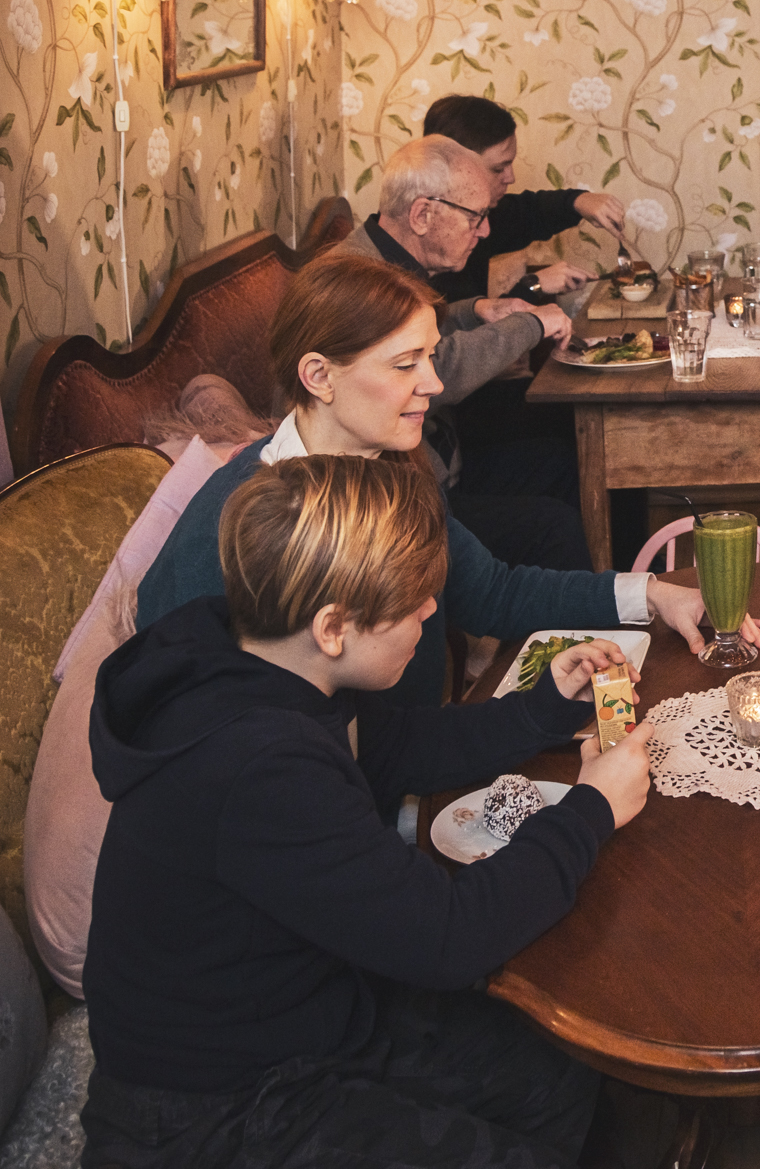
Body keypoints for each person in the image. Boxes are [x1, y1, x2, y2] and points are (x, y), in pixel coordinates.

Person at [84, 454, 652, 1168]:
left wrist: (540, 710)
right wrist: (594, 807)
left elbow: (392, 744)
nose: (430, 612)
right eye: (413, 601)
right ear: (333, 627)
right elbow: (449, 936)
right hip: (215, 1109)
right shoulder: (258, 766)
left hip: (310, 1008)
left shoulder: (256, 655)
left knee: (563, 1070)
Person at [137, 256, 760, 708]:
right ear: (319, 376)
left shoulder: (394, 467)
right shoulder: (234, 528)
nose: (434, 385)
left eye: (431, 357)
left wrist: (653, 593)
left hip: (422, 762)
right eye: (407, 364)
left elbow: (492, 591)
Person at [345, 135, 589, 564]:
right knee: (553, 528)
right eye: (476, 217)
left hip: (439, 468)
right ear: (422, 214)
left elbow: (421, 335)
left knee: (565, 464)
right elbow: (435, 374)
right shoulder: (360, 283)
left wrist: (476, 310)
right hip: (398, 504)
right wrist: (529, 323)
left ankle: (625, 598)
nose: (486, 230)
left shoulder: (386, 259)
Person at [421, 93, 628, 303]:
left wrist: (578, 201)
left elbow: (528, 212)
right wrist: (533, 286)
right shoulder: (416, 253)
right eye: (498, 169)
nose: (511, 178)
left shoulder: (476, 214)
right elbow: (466, 332)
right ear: (455, 167)